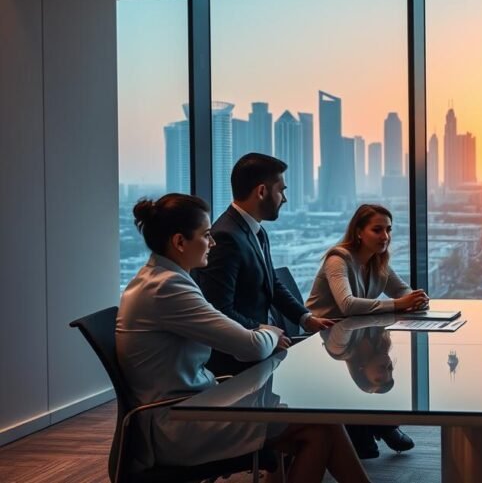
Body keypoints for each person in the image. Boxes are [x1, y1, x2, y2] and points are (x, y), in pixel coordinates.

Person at [117, 194, 371, 483]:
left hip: (191, 407)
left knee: (319, 424)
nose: (212, 243)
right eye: (206, 235)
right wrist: (270, 332)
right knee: (320, 427)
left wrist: (259, 335)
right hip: (177, 424)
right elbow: (249, 347)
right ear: (179, 242)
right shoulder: (167, 288)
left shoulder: (159, 278)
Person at [305, 203, 429, 458]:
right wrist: (398, 304)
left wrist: (415, 299)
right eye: (378, 230)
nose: (385, 236)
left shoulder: (377, 260)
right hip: (318, 338)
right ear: (359, 232)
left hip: (350, 328)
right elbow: (347, 305)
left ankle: (375, 429)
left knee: (366, 447)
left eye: (388, 230)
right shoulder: (338, 259)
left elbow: (402, 291)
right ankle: (380, 428)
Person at [195, 153, 333, 376]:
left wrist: (306, 318)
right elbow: (220, 309)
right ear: (261, 192)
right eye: (281, 191)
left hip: (262, 349)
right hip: (238, 361)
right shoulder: (226, 237)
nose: (284, 199)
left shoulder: (255, 230)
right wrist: (265, 334)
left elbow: (271, 283)